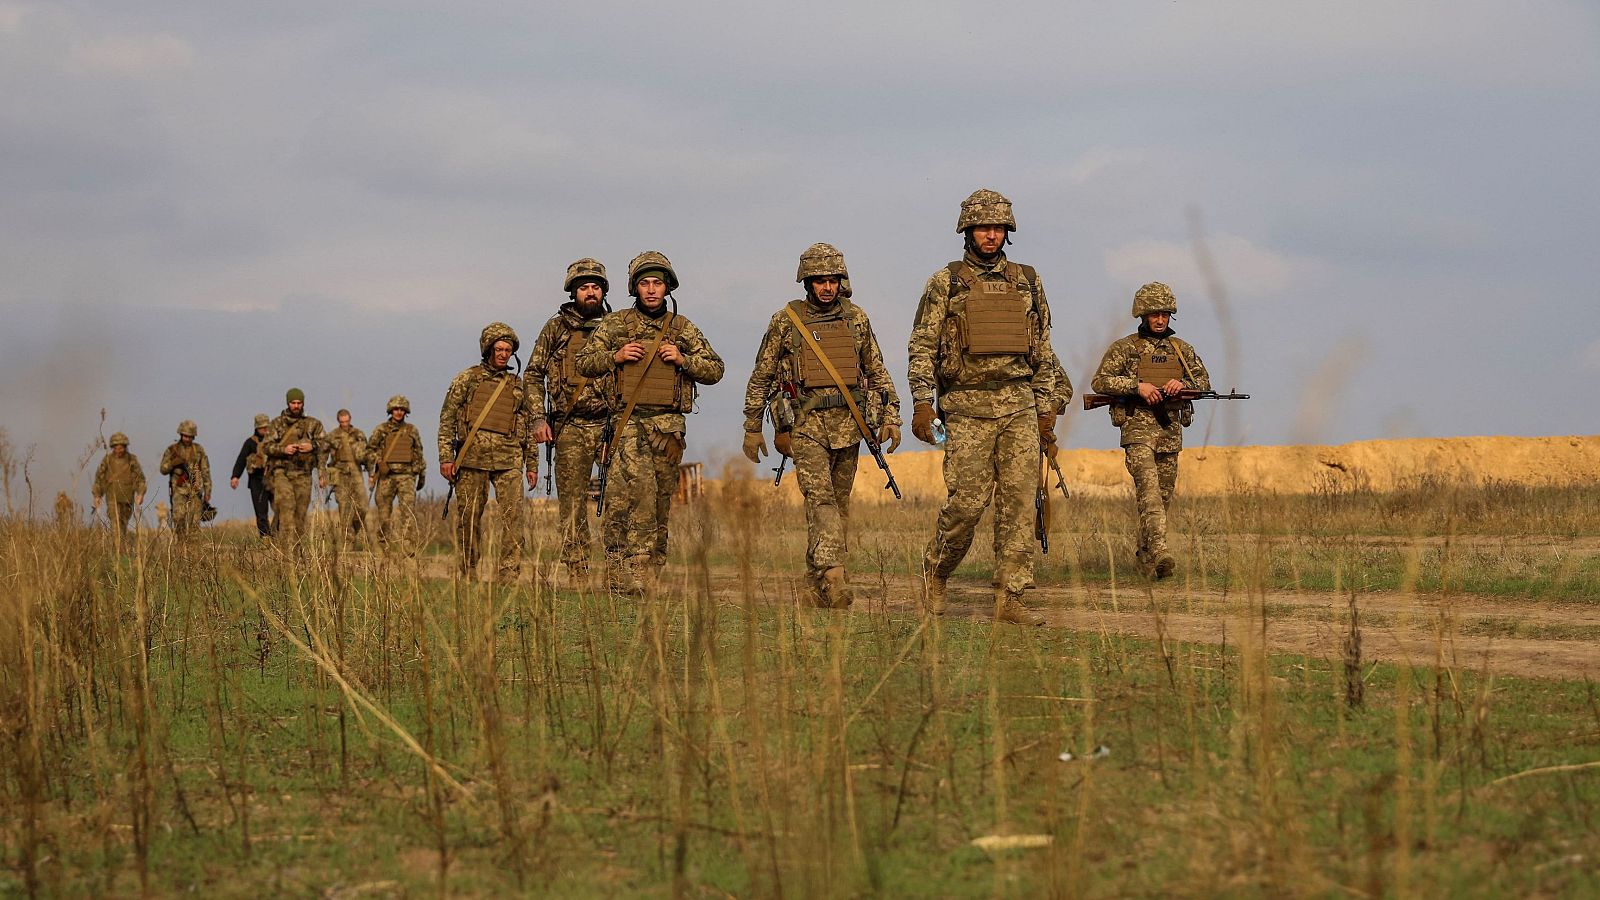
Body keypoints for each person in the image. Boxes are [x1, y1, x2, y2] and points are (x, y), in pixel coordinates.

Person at [907, 189, 1063, 625]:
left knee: (1018, 502)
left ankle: (1010, 596)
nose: (991, 236)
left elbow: (1044, 349)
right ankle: (936, 573)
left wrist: (1045, 410)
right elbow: (922, 346)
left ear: (1007, 232)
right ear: (968, 231)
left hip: (1018, 406)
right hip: (966, 408)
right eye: (983, 228)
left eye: (998, 228)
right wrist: (922, 403)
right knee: (967, 505)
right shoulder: (945, 282)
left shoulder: (1027, 281)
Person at [742, 243, 901, 608]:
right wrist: (753, 427)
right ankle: (834, 576)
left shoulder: (856, 319)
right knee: (821, 499)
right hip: (806, 426)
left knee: (838, 504)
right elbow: (762, 376)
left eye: (832, 280)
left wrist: (891, 416)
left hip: (850, 424)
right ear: (807, 282)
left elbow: (876, 369)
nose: (827, 288)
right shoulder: (785, 321)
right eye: (820, 281)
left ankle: (815, 583)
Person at [576, 251, 724, 594]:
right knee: (631, 496)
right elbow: (584, 363)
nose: (652, 290)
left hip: (667, 431)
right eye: (645, 283)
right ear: (635, 288)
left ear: (667, 286)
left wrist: (683, 360)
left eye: (658, 283)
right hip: (627, 423)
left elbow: (716, 369)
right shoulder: (616, 325)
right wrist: (615, 356)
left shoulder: (682, 328)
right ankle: (627, 570)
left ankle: (650, 571)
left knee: (658, 503)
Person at [1090, 282, 1211, 579]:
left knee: (1164, 496)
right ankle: (1159, 550)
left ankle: (1146, 558)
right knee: (1149, 492)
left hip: (1169, 432)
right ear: (1142, 315)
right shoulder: (1125, 348)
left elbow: (1205, 383)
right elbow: (1100, 381)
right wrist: (1136, 386)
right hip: (1137, 430)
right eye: (1154, 313)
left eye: (1165, 314)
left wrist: (1183, 384)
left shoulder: (1181, 350)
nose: (1160, 319)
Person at [526, 258, 617, 588]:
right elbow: (533, 374)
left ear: (603, 290)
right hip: (570, 426)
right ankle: (578, 571)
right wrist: (537, 418)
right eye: (583, 287)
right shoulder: (555, 328)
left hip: (610, 426)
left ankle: (618, 567)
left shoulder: (616, 326)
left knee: (621, 497)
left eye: (595, 287)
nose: (590, 292)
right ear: (573, 292)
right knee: (572, 505)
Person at [438, 322, 541, 582]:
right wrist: (445, 458)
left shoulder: (518, 386)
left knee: (513, 519)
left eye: (508, 349)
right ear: (488, 349)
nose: (504, 353)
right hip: (471, 459)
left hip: (509, 459)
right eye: (499, 348)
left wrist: (532, 464)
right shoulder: (467, 379)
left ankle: (508, 573)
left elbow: (527, 425)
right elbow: (447, 418)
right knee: (469, 517)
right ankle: (468, 569)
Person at [366, 395, 426, 556]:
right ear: (390, 411)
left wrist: (421, 475)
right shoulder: (381, 430)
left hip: (407, 476)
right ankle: (383, 546)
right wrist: (379, 462)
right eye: (395, 409)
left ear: (406, 411)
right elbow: (369, 450)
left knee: (408, 513)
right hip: (386, 477)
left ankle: (408, 548)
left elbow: (419, 452)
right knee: (384, 513)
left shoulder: (411, 430)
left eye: (401, 409)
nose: (398, 412)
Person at [266, 388, 326, 542]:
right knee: (286, 509)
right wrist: (283, 449)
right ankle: (286, 553)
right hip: (282, 473)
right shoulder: (277, 424)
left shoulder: (313, 424)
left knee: (300, 515)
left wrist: (312, 446)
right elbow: (266, 446)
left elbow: (325, 445)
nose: (296, 406)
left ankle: (296, 552)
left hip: (303, 474)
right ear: (288, 403)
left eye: (299, 403)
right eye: (293, 403)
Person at [322, 409, 370, 544]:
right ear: (338, 421)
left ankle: (354, 530)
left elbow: (367, 454)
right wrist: (323, 475)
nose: (344, 424)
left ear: (350, 419)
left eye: (347, 421)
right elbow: (323, 455)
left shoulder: (359, 435)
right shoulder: (332, 436)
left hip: (356, 475)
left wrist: (371, 473)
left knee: (362, 507)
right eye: (342, 421)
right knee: (344, 507)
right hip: (339, 474)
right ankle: (347, 541)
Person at [159, 420, 212, 539]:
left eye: (189, 436)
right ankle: (181, 544)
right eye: (185, 436)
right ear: (180, 434)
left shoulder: (199, 450)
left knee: (194, 522)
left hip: (196, 490)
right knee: (178, 518)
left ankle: (193, 550)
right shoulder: (172, 450)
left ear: (193, 436)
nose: (187, 438)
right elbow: (163, 469)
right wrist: (173, 463)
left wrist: (208, 491)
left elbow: (205, 470)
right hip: (179, 490)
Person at [92, 432, 146, 544]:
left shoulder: (132, 460)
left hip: (127, 498)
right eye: (116, 447)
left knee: (124, 524)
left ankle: (122, 548)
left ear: (125, 447)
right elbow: (99, 478)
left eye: (121, 447)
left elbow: (140, 478)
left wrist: (141, 494)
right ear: (113, 447)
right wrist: (97, 495)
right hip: (112, 497)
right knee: (115, 523)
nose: (119, 450)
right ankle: (117, 549)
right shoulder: (107, 460)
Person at [230, 413, 274, 537]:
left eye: (267, 427)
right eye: (262, 428)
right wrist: (235, 476)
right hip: (256, 482)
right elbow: (241, 460)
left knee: (280, 509)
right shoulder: (249, 443)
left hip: (274, 480)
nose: (265, 430)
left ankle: (278, 535)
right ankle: (265, 537)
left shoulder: (274, 442)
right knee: (261, 513)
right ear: (257, 428)